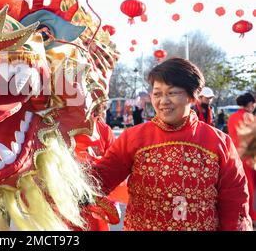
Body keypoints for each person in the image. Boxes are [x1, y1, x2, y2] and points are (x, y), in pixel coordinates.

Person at [94, 58, 252, 230]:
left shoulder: (219, 142)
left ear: (192, 96)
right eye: (157, 93)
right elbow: (100, 179)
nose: (163, 101)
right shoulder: (133, 138)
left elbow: (234, 201)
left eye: (172, 93)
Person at [227, 92, 256, 224]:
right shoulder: (249, 117)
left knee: (242, 187)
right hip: (249, 157)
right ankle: (252, 217)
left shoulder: (231, 117)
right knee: (251, 188)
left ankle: (243, 215)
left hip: (235, 156)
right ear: (250, 104)